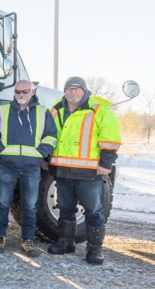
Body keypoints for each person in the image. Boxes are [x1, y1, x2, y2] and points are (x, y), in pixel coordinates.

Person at [46, 76, 121, 265]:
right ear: (64, 91)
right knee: (65, 208)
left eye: (76, 89)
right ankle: (65, 243)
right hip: (62, 170)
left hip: (88, 172)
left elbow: (110, 138)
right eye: (69, 89)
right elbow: (48, 135)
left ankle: (95, 249)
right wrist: (47, 158)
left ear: (84, 91)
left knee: (94, 211)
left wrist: (106, 162)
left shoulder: (98, 111)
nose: (73, 92)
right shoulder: (56, 110)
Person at [0, 80, 57, 257]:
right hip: (7, 166)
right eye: (18, 92)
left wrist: (40, 153)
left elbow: (51, 136)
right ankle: (0, 238)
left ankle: (27, 240)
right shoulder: (2, 111)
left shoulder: (43, 112)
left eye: (25, 92)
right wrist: (1, 152)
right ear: (14, 93)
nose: (21, 95)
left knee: (30, 206)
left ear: (32, 92)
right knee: (3, 203)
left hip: (31, 168)